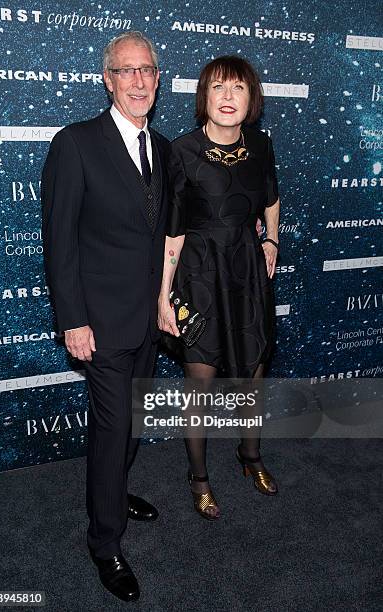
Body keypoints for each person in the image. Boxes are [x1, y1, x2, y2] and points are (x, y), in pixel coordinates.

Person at [41, 32, 169, 602]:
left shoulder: (163, 148)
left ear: (157, 79)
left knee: (133, 424)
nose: (138, 81)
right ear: (108, 80)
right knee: (113, 428)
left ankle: (112, 493)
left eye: (147, 71)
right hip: (99, 322)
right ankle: (105, 542)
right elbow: (59, 240)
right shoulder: (76, 143)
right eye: (127, 71)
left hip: (150, 322)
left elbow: (166, 236)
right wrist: (73, 319)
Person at [158, 56, 280, 520]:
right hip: (198, 277)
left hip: (246, 274)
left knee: (252, 374)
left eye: (238, 89)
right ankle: (199, 477)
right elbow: (173, 231)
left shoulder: (261, 146)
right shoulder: (182, 151)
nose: (228, 97)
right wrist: (163, 294)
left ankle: (250, 457)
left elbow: (271, 197)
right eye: (218, 88)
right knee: (200, 384)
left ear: (252, 99)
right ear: (203, 97)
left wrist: (271, 239)